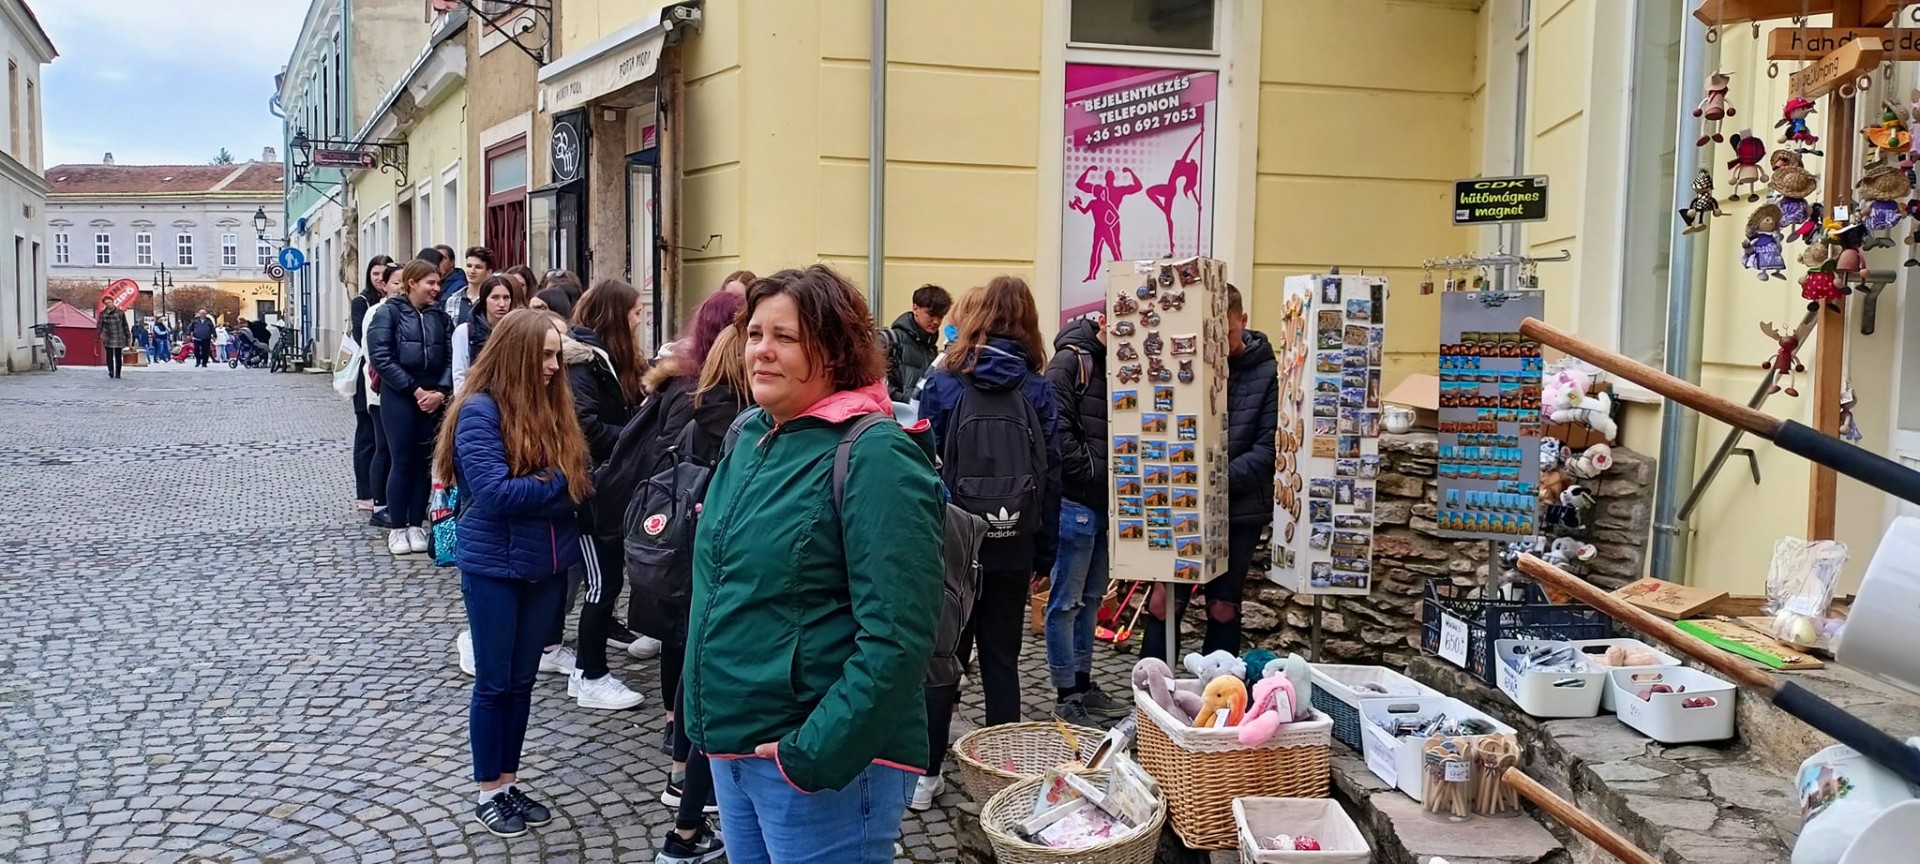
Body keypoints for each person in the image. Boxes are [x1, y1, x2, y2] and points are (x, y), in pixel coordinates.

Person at [684, 265, 942, 863]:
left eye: (786, 337)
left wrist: (813, 752)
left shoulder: (875, 454)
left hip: (820, 766)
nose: (761, 351)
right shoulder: (750, 434)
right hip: (734, 744)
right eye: (754, 334)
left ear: (832, 351)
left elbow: (898, 639)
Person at [432, 308, 591, 839]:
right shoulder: (479, 410)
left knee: (522, 683)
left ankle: (508, 782)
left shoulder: (552, 405)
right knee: (495, 683)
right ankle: (487, 792)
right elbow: (497, 494)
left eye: (556, 355)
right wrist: (558, 481)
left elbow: (579, 483)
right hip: (494, 567)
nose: (554, 366)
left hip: (545, 566)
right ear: (518, 354)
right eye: (545, 355)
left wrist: (556, 483)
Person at [913, 275, 1063, 810]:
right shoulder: (1037, 388)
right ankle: (1003, 777)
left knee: (942, 658)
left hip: (953, 542)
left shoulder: (944, 382)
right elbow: (1052, 475)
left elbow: (920, 465)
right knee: (1002, 659)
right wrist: (1045, 552)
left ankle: (925, 777)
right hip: (1014, 540)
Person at [632, 290, 745, 859]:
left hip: (700, 553)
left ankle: (683, 794)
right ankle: (685, 798)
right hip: (705, 554)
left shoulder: (704, 400)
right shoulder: (728, 417)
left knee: (697, 660)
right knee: (700, 664)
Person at [1142, 283, 1277, 659]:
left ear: (1242, 321)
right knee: (1163, 602)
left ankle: (1219, 689)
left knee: (1223, 606)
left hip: (1238, 508)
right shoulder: (1186, 362)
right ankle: (1152, 689)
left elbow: (1267, 449)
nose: (1217, 345)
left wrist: (1214, 481)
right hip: (1184, 504)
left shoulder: (1266, 371)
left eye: (1227, 333)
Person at [559, 280, 650, 711]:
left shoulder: (607, 359)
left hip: (608, 486)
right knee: (601, 584)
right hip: (590, 490)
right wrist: (639, 436)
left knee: (608, 582)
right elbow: (586, 428)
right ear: (615, 315)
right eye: (635, 313)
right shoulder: (583, 363)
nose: (640, 321)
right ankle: (589, 674)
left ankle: (589, 669)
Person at [1043, 311, 1130, 726]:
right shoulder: (1071, 361)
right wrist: (1093, 470)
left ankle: (1082, 682)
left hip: (1105, 502)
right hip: (1076, 499)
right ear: (1107, 321)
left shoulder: (1122, 363)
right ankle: (1066, 694)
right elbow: (1056, 431)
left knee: (1093, 598)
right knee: (1065, 601)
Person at [367, 259, 454, 557]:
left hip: (433, 396)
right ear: (413, 283)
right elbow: (381, 355)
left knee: (423, 462)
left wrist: (440, 391)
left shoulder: (440, 317)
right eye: (430, 282)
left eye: (438, 283)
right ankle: (398, 526)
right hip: (400, 395)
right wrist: (414, 390)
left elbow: (450, 356)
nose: (436, 288)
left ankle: (416, 524)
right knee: (402, 460)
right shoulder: (388, 312)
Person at [363, 261, 406, 528]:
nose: (400, 287)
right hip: (380, 391)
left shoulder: (412, 311)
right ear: (385, 286)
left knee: (401, 451)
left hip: (404, 393)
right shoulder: (376, 312)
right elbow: (374, 355)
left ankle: (401, 502)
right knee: (383, 448)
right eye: (396, 282)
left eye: (405, 282)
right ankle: (379, 505)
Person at [353, 255, 397, 512]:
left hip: (388, 382)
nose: (380, 278)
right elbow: (365, 343)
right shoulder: (364, 303)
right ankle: (367, 493)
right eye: (375, 274)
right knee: (368, 437)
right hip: (369, 380)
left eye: (384, 273)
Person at [655, 271, 755, 361]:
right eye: (728, 295)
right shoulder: (691, 350)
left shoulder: (752, 350)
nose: (732, 302)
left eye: (740, 300)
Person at [452, 274, 524, 394]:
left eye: (506, 298)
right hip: (475, 396)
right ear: (484, 300)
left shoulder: (518, 331)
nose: (502, 304)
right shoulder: (465, 331)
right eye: (495, 297)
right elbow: (459, 375)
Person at [880, 283, 952, 404]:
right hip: (894, 412)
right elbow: (876, 385)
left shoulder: (931, 349)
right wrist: (909, 401)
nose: (936, 321)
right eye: (931, 314)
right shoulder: (889, 340)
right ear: (915, 308)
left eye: (940, 316)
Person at [447, 246, 496, 326]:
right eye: (469, 266)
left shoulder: (493, 300)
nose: (472, 271)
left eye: (478, 267)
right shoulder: (453, 300)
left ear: (489, 272)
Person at [97, 301, 129, 378]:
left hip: (119, 335)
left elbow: (125, 325)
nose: (109, 304)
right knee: (109, 355)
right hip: (108, 336)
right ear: (105, 304)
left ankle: (118, 373)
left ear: (113, 302)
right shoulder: (103, 314)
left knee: (118, 356)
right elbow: (99, 325)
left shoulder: (120, 312)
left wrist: (127, 335)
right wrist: (97, 336)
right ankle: (111, 371)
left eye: (110, 302)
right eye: (107, 303)